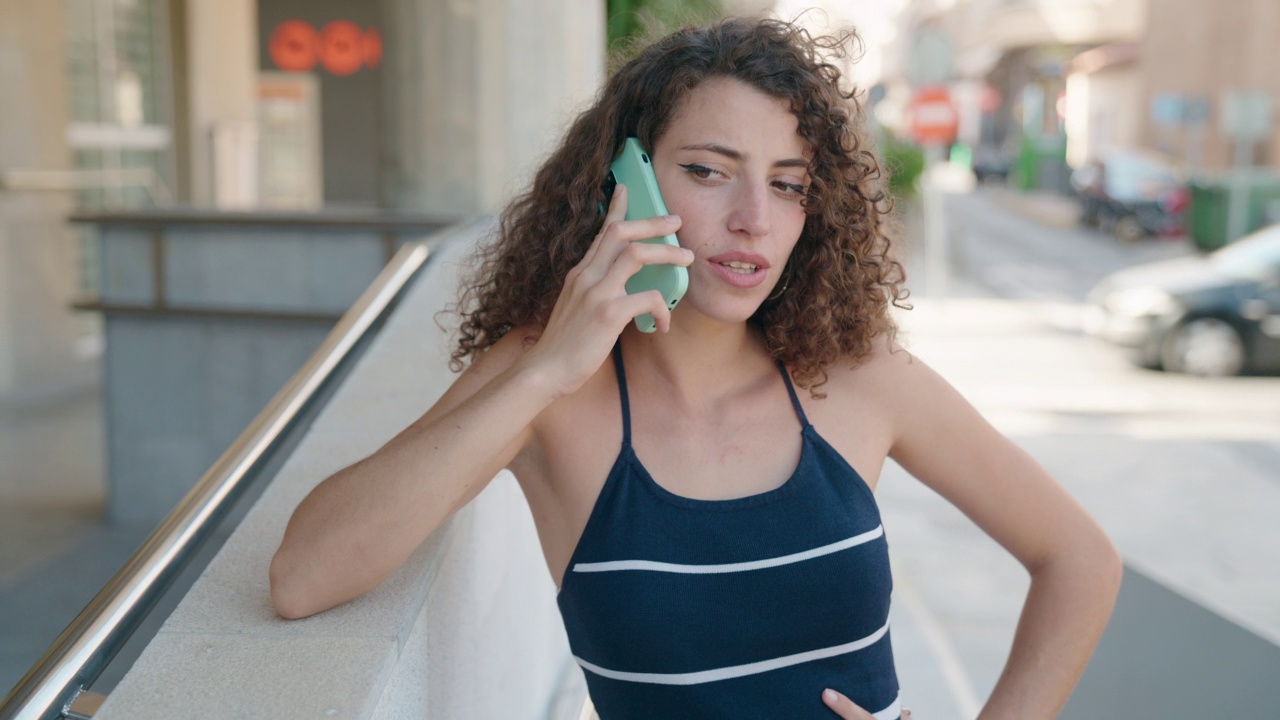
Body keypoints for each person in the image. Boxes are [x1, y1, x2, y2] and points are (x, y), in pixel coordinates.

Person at [269, 17, 1122, 720]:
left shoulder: (860, 379)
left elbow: (1078, 559)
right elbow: (305, 576)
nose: (754, 219)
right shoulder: (551, 387)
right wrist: (543, 374)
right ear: (622, 184)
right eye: (709, 172)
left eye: (788, 185)